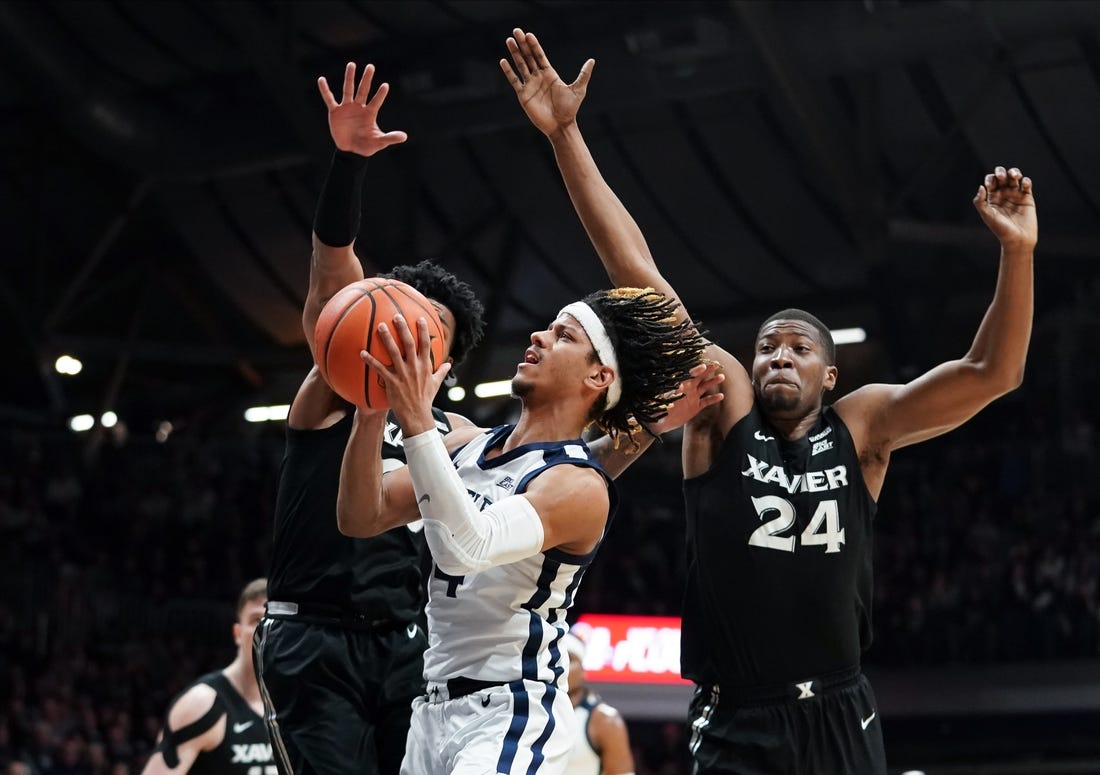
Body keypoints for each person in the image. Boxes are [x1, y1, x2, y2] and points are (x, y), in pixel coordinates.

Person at [502, 28, 1037, 775]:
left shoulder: (865, 425)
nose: (777, 354)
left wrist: (1017, 252)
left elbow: (992, 371)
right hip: (737, 716)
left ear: (830, 377)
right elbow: (636, 269)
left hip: (843, 709)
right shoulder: (724, 408)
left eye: (798, 348)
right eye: (767, 346)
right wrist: (565, 135)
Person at [336, 276, 713, 774]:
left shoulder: (577, 485)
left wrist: (415, 422)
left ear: (598, 378)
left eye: (564, 336)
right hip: (430, 711)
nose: (538, 336)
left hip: (511, 711)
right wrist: (370, 414)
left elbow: (466, 546)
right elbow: (361, 515)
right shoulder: (466, 445)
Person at [251, 62, 487, 775]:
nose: (408, 337)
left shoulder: (462, 436)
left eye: (429, 332)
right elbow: (332, 267)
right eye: (402, 316)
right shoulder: (331, 386)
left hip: (411, 643)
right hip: (311, 637)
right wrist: (349, 164)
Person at [143, 579, 272, 775]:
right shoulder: (202, 704)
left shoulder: (299, 707)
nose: (265, 629)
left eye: (273, 621)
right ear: (237, 633)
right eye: (256, 620)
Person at [561, 633, 635, 775]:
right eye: (556, 660)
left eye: (569, 659)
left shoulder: (605, 720)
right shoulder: (532, 710)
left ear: (583, 670)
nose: (561, 666)